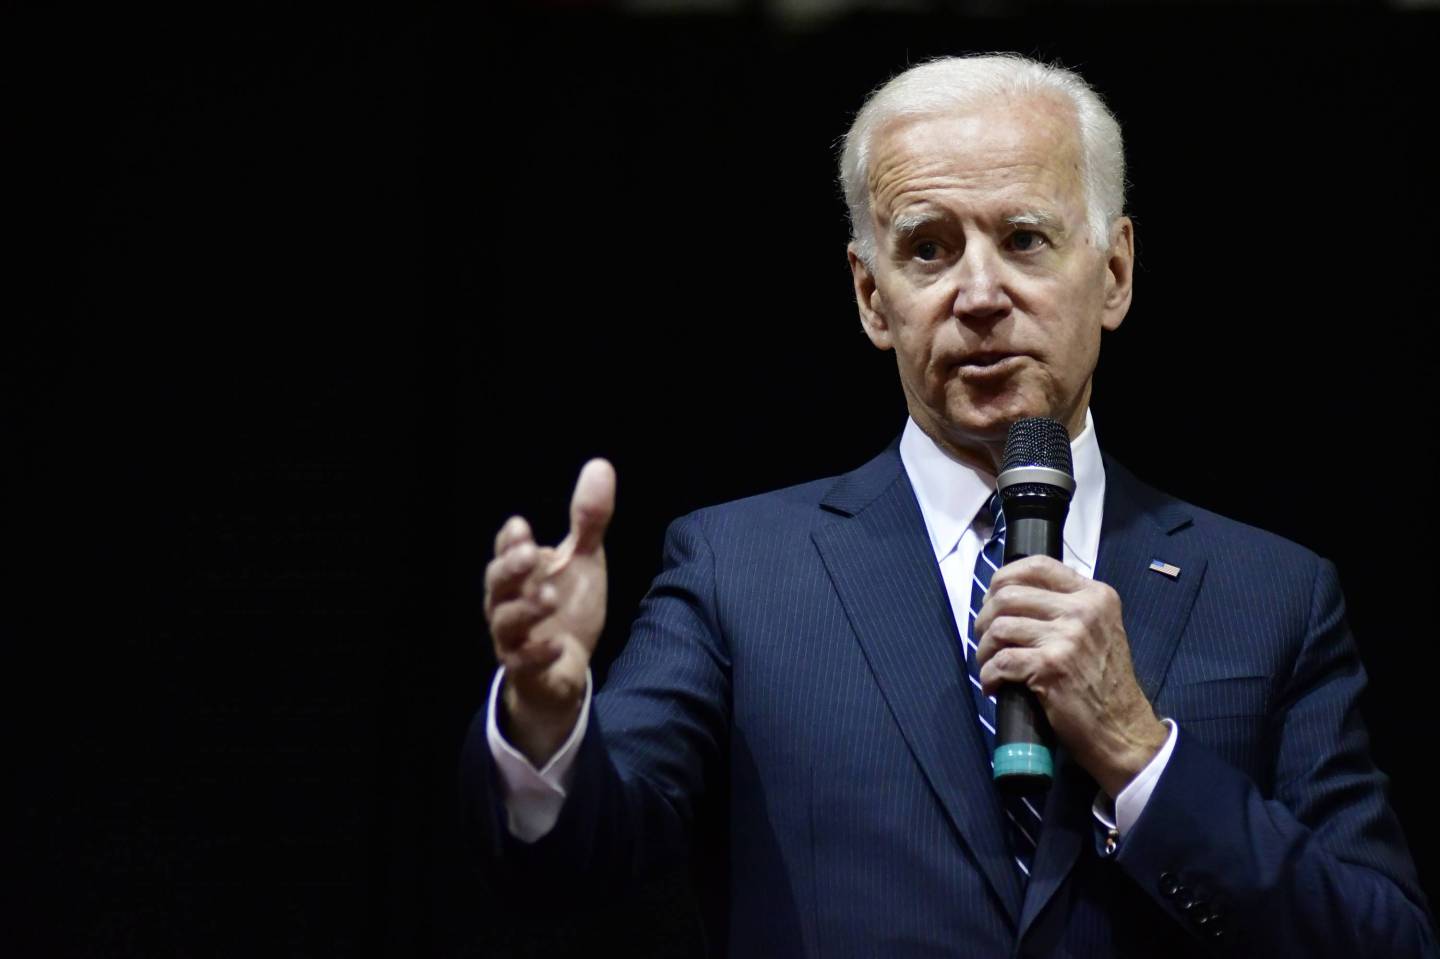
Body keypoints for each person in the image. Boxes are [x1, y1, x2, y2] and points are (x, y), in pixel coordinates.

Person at [462, 54, 1436, 957]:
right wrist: (547, 719)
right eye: (928, 249)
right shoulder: (737, 570)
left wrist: (1142, 755)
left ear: (1116, 271)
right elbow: (582, 861)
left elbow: (1382, 936)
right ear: (871, 297)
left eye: (1023, 238)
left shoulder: (1273, 592)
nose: (978, 293)